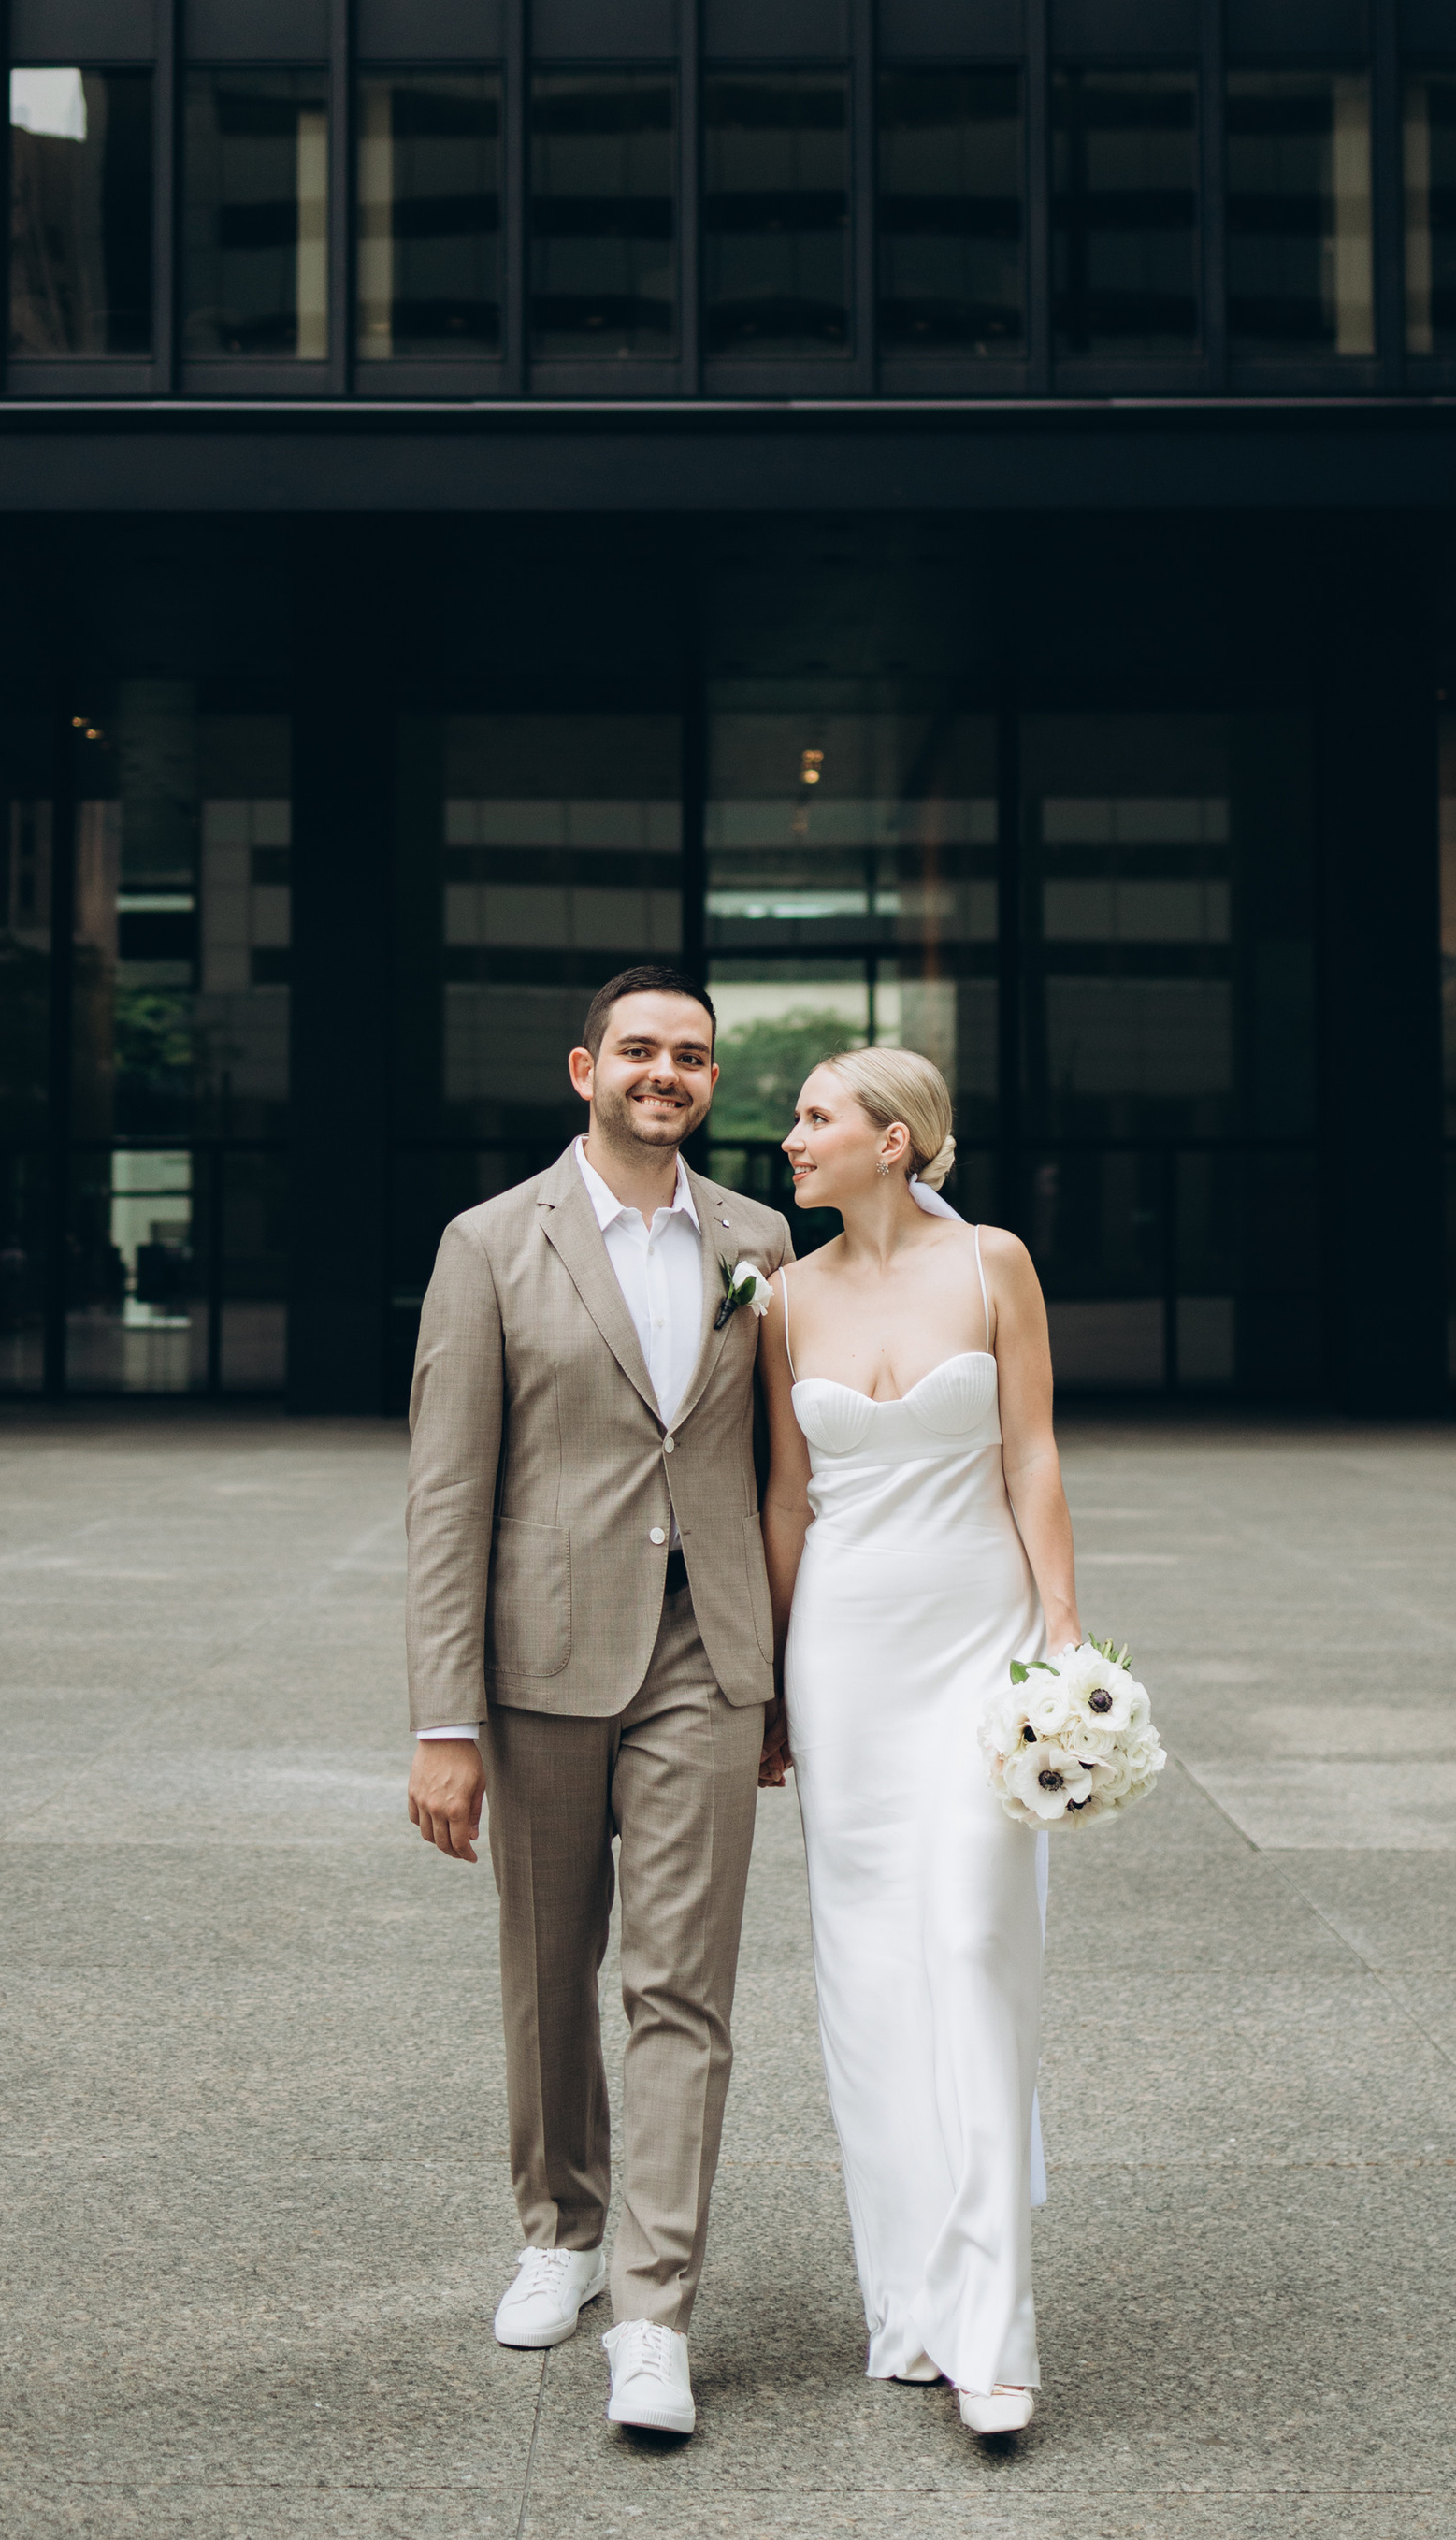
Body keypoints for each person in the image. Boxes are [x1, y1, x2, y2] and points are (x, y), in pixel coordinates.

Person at [404, 968, 794, 2441]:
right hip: (540, 1658)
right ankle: (560, 2230)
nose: (666, 1073)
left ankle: (654, 2310)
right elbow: (448, 1494)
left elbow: (780, 1476)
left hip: (708, 1655)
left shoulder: (759, 1240)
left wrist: (782, 1684)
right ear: (585, 1068)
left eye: (691, 1056)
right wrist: (446, 1720)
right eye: (641, 1049)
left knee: (681, 1985)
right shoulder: (491, 1242)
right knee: (548, 1964)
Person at [759, 1046, 1081, 2438]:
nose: (790, 1137)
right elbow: (786, 1503)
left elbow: (1031, 1455)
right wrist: (772, 1688)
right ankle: (912, 2307)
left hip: (979, 1642)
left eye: (816, 1117)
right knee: (871, 1978)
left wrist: (1063, 1645)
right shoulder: (780, 1298)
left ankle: (997, 2331)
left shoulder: (993, 1263)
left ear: (896, 1141)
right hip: (844, 1655)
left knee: (970, 1948)